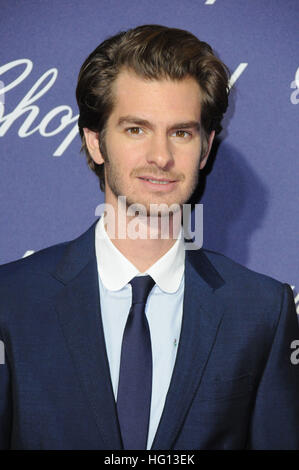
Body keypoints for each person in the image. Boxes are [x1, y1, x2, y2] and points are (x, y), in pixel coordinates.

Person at [0, 24, 298, 450]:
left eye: (181, 132)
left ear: (206, 147)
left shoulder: (261, 311)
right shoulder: (10, 301)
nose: (161, 156)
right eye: (136, 129)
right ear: (96, 141)